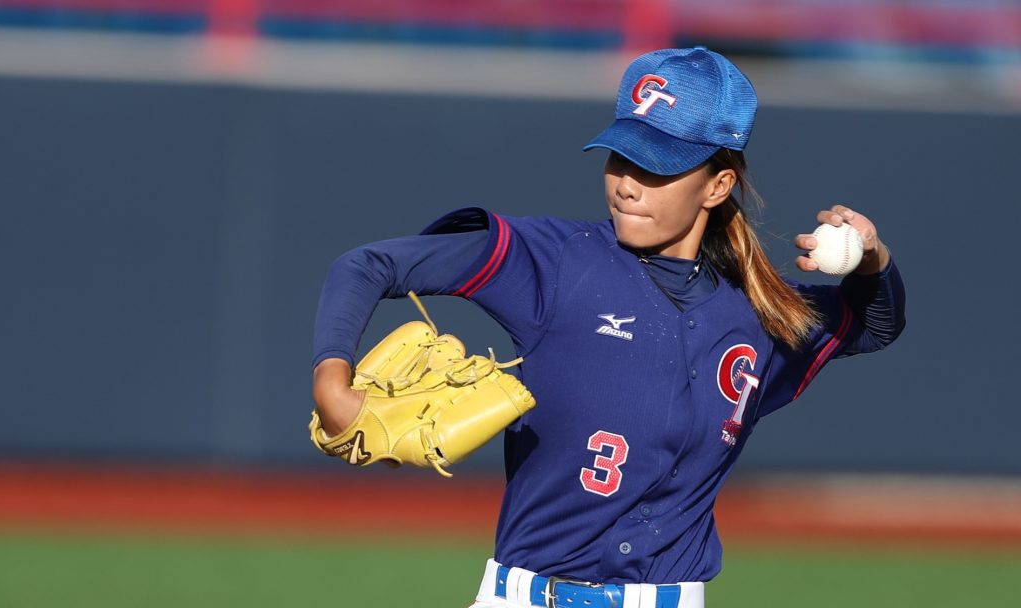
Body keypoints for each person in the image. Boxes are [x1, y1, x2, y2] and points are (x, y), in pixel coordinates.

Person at [311, 47, 905, 608]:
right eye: (623, 158)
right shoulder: (557, 260)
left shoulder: (760, 312)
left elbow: (877, 324)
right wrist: (331, 379)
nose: (626, 183)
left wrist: (873, 258)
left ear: (717, 186)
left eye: (657, 167)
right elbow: (369, 264)